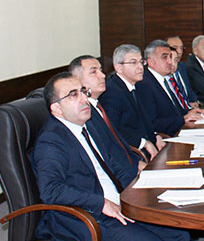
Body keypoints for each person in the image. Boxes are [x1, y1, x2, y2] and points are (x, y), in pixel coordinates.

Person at [32, 72, 189, 240]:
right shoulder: (51, 141)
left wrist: (141, 186)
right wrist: (101, 203)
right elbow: (51, 190)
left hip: (120, 201)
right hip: (89, 215)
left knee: (179, 234)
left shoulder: (88, 125)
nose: (84, 99)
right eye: (73, 95)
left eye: (83, 91)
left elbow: (111, 163)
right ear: (56, 108)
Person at [68, 55, 144, 172]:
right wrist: (133, 171)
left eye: (101, 70)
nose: (103, 75)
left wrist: (137, 162)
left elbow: (117, 144)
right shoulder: (83, 115)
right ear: (76, 80)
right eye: (93, 72)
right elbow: (105, 156)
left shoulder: (98, 106)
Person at [99, 44, 165, 160]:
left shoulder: (136, 87)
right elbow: (113, 131)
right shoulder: (112, 92)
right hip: (132, 156)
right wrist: (144, 143)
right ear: (119, 67)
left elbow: (143, 122)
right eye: (133, 62)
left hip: (149, 147)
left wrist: (155, 136)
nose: (140, 67)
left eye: (141, 62)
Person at [137, 40, 204, 136]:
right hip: (167, 137)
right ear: (151, 61)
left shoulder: (165, 80)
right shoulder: (144, 84)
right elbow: (152, 123)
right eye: (164, 57)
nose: (170, 62)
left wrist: (190, 112)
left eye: (170, 57)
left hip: (180, 131)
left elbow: (174, 111)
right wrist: (183, 119)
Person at [166, 35, 198, 106]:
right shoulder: (163, 72)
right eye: (175, 48)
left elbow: (189, 91)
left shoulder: (182, 67)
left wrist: (196, 102)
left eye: (181, 48)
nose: (179, 52)